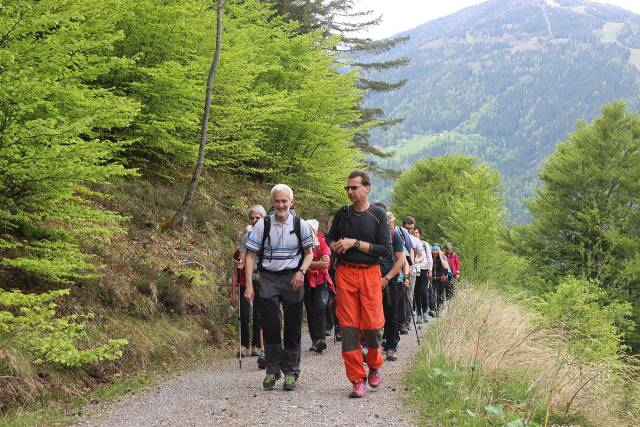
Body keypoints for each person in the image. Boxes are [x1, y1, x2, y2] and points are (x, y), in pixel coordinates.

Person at [326, 171, 391, 398]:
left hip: (370, 273)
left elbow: (385, 250)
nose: (350, 192)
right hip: (345, 273)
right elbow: (329, 238)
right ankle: (357, 379)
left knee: (373, 327)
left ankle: (374, 364)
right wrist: (336, 246)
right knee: (349, 327)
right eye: (348, 188)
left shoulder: (378, 215)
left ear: (367, 188)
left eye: (354, 188)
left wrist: (355, 243)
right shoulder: (342, 214)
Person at [244, 185, 314, 391]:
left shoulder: (300, 225)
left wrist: (301, 271)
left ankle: (291, 371)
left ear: (291, 202)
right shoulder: (262, 225)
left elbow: (309, 253)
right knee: (271, 323)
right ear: (272, 202)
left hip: (293, 277)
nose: (281, 205)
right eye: (277, 201)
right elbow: (250, 256)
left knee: (292, 326)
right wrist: (249, 285)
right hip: (268, 278)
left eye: (285, 201)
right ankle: (273, 369)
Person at [230, 206, 266, 362]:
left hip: (263, 279)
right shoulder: (246, 237)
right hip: (247, 279)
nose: (254, 220)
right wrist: (240, 264)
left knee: (259, 314)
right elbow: (242, 258)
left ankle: (256, 345)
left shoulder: (268, 234)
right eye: (252, 218)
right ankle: (243, 344)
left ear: (263, 218)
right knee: (244, 314)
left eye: (257, 218)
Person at [381, 212, 407, 362]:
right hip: (373, 279)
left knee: (392, 314)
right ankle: (370, 346)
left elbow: (401, 260)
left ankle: (391, 346)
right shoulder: (371, 235)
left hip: (392, 280)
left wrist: (387, 278)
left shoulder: (394, 235)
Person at [304, 219, 334, 353]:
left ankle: (321, 338)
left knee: (320, 307)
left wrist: (307, 264)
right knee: (310, 310)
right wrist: (316, 262)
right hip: (305, 280)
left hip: (321, 280)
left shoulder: (322, 242)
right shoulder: (301, 244)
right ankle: (315, 340)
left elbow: (325, 264)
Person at [402, 216, 425, 332]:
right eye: (407, 228)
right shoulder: (399, 236)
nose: (409, 230)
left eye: (411, 228)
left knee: (409, 295)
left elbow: (422, 255)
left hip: (412, 272)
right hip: (400, 271)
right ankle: (401, 321)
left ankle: (406, 322)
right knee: (400, 294)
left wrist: (415, 261)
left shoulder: (415, 241)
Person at [411, 226, 432, 322]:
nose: (415, 234)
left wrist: (430, 270)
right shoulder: (410, 243)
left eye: (417, 233)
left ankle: (425, 311)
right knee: (416, 292)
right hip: (414, 270)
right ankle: (419, 313)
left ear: (420, 234)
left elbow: (429, 258)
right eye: (414, 233)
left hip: (424, 269)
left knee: (423, 291)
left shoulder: (424, 244)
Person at [430, 245, 451, 314]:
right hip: (432, 278)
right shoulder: (430, 258)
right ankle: (433, 309)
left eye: (436, 250)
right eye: (434, 250)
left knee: (440, 294)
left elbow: (445, 266)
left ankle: (438, 309)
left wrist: (441, 256)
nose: (435, 252)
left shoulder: (443, 257)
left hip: (441, 279)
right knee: (432, 294)